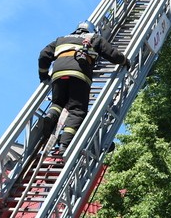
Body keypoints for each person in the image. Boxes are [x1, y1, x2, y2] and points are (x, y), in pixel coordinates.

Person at [37, 21, 129, 155]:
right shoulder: (94, 38)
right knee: (77, 110)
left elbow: (43, 55)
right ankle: (64, 143)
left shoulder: (61, 40)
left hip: (58, 74)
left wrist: (43, 75)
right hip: (79, 75)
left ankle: (51, 116)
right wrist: (125, 61)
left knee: (58, 103)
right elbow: (112, 54)